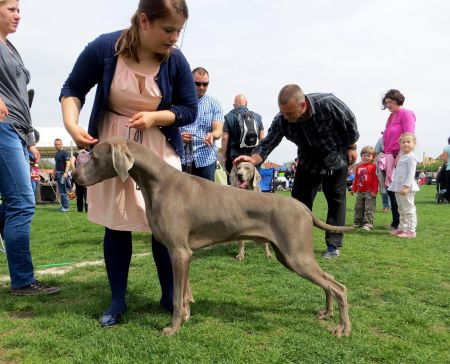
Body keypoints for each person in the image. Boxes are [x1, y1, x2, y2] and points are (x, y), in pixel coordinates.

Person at [60, 0, 197, 327]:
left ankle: (170, 296)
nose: (175, 38)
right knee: (116, 221)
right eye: (168, 29)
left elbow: (189, 109)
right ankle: (117, 300)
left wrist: (155, 116)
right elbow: (73, 89)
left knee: (165, 226)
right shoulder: (105, 48)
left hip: (157, 147)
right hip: (111, 145)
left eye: (179, 30)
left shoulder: (175, 60)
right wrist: (71, 124)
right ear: (144, 21)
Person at [234, 84, 359, 259]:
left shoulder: (328, 103)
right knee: (299, 202)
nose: (285, 117)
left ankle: (333, 246)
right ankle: (296, 243)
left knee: (336, 200)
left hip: (335, 159)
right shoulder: (282, 119)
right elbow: (268, 143)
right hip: (308, 162)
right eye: (283, 112)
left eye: (290, 114)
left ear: (303, 105)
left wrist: (352, 146)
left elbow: (349, 121)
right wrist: (252, 160)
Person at [0, 0, 60, 295]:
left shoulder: (10, 46)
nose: (18, 15)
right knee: (23, 203)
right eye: (11, 9)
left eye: (19, 10)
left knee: (15, 204)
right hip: (2, 128)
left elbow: (22, 96)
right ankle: (23, 281)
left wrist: (31, 141)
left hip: (18, 133)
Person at [180, 67, 223, 181]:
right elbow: (169, 127)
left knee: (207, 197)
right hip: (182, 157)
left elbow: (218, 130)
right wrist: (179, 136)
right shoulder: (178, 101)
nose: (201, 87)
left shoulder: (215, 104)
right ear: (190, 81)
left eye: (205, 84)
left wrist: (212, 135)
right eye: (197, 83)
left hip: (206, 159)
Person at [382, 89, 416, 230]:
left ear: (398, 100)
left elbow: (409, 135)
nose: (388, 105)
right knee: (391, 190)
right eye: (386, 103)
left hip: (400, 157)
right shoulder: (391, 117)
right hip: (388, 155)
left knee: (400, 191)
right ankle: (398, 223)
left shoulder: (406, 114)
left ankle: (404, 225)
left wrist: (400, 155)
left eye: (390, 102)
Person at [222, 94, 264, 177]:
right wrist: (260, 156)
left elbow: (224, 137)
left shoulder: (229, 117)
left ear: (234, 105)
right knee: (252, 183)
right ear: (247, 103)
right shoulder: (258, 117)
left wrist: (223, 156)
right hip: (253, 158)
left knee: (235, 184)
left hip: (235, 159)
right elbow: (262, 138)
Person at [388, 133, 419, 238]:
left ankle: (411, 231)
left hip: (406, 188)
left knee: (409, 209)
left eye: (408, 141)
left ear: (414, 144)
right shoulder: (402, 156)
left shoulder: (411, 158)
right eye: (403, 142)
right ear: (400, 144)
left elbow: (411, 173)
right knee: (401, 209)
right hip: (398, 186)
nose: (405, 144)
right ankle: (402, 227)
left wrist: (406, 186)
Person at [351, 146, 378, 231]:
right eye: (364, 155)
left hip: (370, 192)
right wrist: (353, 188)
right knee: (358, 208)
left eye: (369, 156)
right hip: (360, 191)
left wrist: (374, 191)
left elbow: (376, 180)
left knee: (369, 208)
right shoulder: (358, 167)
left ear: (373, 157)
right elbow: (356, 178)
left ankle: (368, 224)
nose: (366, 157)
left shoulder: (373, 167)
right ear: (361, 156)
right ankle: (357, 222)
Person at [52, 138, 71, 212]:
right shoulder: (57, 154)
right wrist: (53, 172)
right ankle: (63, 206)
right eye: (55, 144)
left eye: (58, 144)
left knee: (63, 190)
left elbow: (68, 163)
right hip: (58, 173)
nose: (57, 146)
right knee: (60, 191)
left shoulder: (64, 152)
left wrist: (66, 172)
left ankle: (66, 207)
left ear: (62, 144)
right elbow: (56, 164)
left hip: (63, 173)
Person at [374, 131, 391, 212]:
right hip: (382, 160)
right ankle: (385, 205)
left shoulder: (396, 139)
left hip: (392, 160)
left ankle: (392, 205)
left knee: (391, 184)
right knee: (383, 184)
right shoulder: (381, 139)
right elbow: (376, 152)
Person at [71, 147, 89, 212]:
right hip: (87, 175)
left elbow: (71, 162)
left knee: (79, 193)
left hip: (79, 175)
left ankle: (80, 209)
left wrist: (75, 171)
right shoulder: (88, 153)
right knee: (86, 193)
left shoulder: (76, 153)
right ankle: (87, 209)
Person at [439, 136, 450, 202]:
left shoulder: (446, 148)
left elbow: (445, 159)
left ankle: (447, 199)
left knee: (448, 185)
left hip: (449, 169)